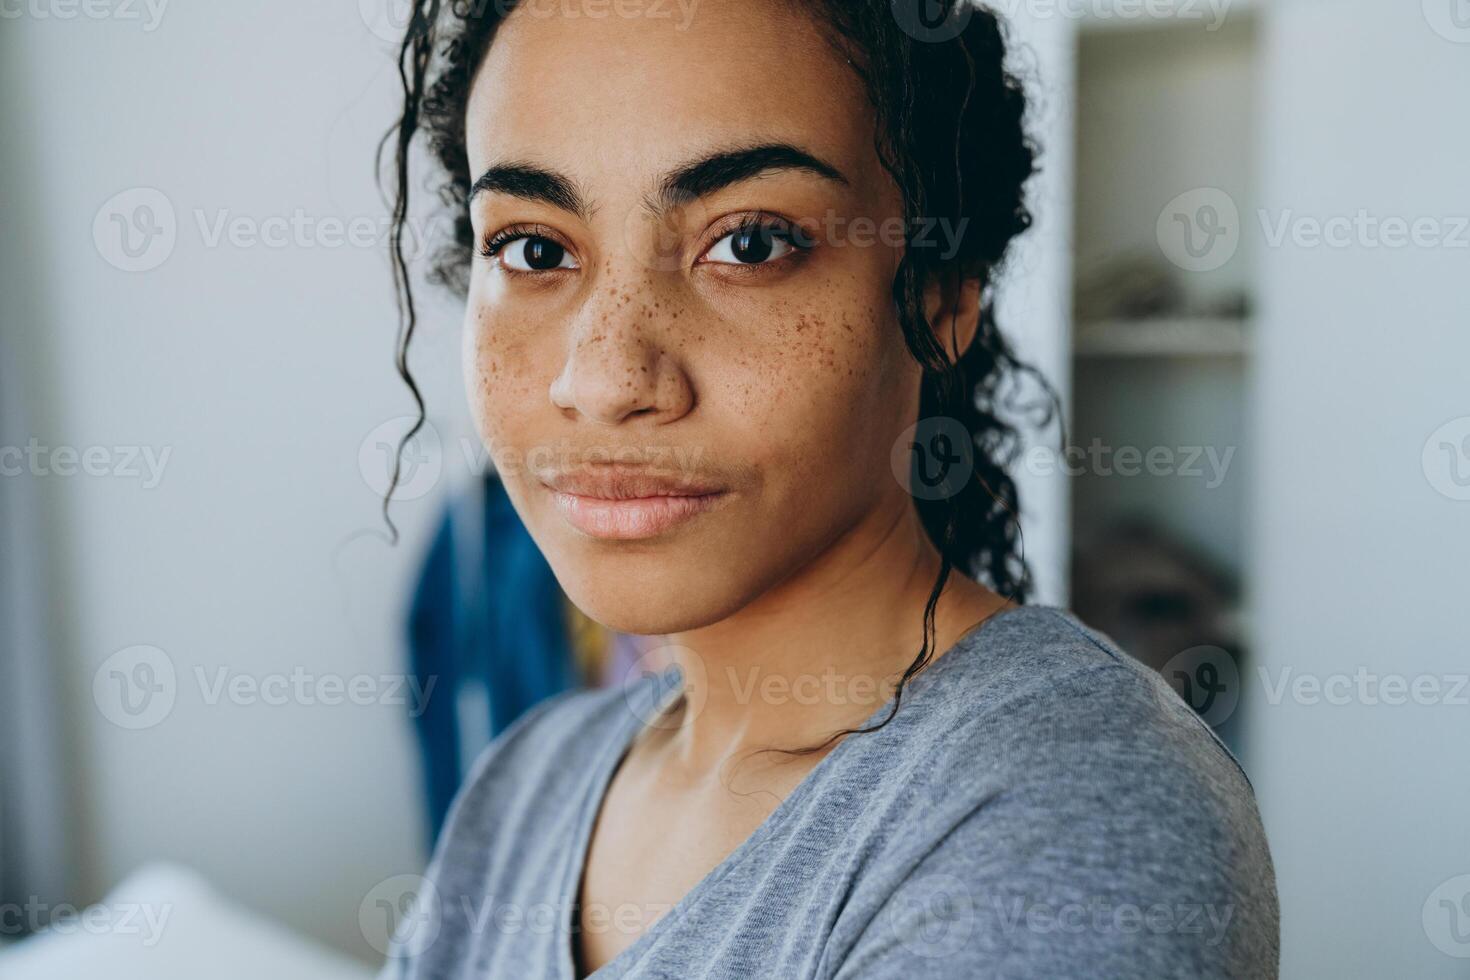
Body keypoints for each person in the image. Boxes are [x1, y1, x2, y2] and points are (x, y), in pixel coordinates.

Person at [377, 1, 1279, 976]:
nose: (604, 379)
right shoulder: (529, 782)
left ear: (943, 295)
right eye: (535, 248)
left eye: (752, 243)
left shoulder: (1072, 810)